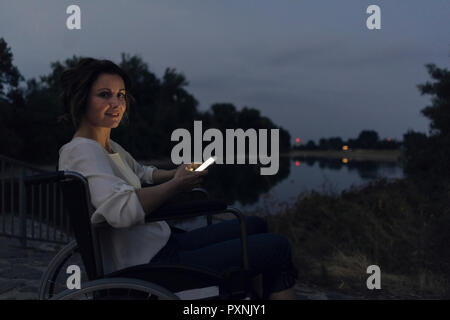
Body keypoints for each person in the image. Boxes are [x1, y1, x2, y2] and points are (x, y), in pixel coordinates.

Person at [57, 58, 298, 300]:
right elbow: (122, 210)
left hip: (161, 241)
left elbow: (142, 172)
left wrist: (173, 173)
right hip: (150, 262)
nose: (116, 103)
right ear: (81, 99)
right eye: (104, 95)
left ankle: (249, 297)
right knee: (277, 247)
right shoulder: (83, 152)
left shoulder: (108, 147)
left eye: (120, 95)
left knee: (254, 225)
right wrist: (176, 185)